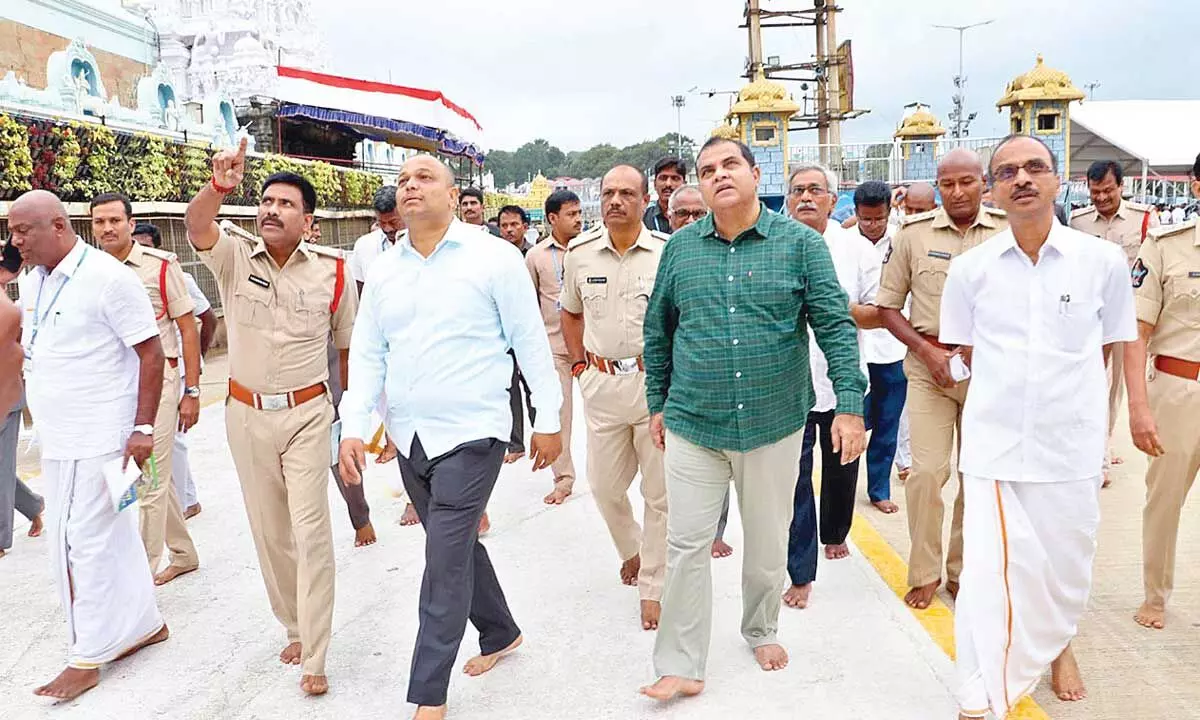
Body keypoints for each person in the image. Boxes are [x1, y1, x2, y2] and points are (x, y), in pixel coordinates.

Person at [337, 154, 562, 720]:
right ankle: (501, 632)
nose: (411, 186)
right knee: (456, 546)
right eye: (403, 180)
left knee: (442, 561)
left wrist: (549, 418)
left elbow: (529, 340)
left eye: (425, 178)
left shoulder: (493, 258)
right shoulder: (386, 268)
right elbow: (367, 352)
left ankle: (427, 695)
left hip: (475, 431)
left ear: (451, 191)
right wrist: (355, 426)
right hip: (413, 438)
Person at [640, 137, 866, 701]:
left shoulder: (799, 246)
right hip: (696, 422)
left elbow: (836, 327)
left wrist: (850, 405)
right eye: (708, 169)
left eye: (730, 165)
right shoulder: (681, 250)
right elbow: (658, 330)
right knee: (687, 544)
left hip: (773, 422)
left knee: (766, 544)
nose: (719, 176)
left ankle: (760, 628)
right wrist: (658, 402)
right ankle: (681, 663)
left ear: (755, 171)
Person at [943, 134, 1136, 718]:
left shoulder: (1101, 261)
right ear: (995, 190)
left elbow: (1118, 343)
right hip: (995, 444)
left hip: (1068, 441)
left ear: (1057, 180)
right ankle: (981, 690)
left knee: (1063, 561)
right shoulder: (970, 269)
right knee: (989, 570)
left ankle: (1058, 647)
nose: (1022, 178)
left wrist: (1129, 413)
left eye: (1035, 167)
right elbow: (961, 351)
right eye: (1007, 172)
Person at [185, 138, 358, 696]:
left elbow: (348, 350)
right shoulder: (234, 257)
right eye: (265, 202)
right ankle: (293, 624)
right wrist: (219, 187)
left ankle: (317, 650)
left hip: (309, 413)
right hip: (246, 414)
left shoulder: (334, 273)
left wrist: (348, 420)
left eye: (285, 204)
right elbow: (196, 227)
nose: (271, 210)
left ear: (308, 220)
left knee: (312, 531)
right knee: (270, 532)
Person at [11, 189, 169, 700]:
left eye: (21, 232)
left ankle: (88, 654)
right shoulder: (34, 282)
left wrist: (143, 429)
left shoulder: (108, 278)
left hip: (105, 440)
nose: (14, 242)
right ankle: (144, 625)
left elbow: (150, 353)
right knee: (117, 535)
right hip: (60, 441)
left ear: (57, 226)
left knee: (78, 543)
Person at [876, 148, 1009, 610]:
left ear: (983, 182)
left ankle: (963, 570)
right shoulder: (912, 235)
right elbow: (888, 307)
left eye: (967, 182)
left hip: (990, 372)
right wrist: (927, 350)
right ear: (937, 185)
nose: (957, 192)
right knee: (927, 474)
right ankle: (924, 572)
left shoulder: (1009, 232)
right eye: (947, 183)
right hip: (929, 369)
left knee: (979, 477)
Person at [560, 165, 669, 630]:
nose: (616, 201)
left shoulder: (666, 253)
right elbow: (570, 314)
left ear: (645, 201)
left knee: (659, 494)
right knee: (604, 487)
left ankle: (653, 586)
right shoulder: (579, 254)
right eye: (608, 193)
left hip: (653, 387)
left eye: (627, 193)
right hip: (602, 385)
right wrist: (581, 367)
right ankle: (632, 548)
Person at [782, 163, 880, 610]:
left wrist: (829, 304)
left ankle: (835, 532)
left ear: (831, 199)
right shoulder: (776, 246)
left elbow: (878, 311)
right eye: (798, 190)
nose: (805, 197)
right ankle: (800, 568)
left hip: (841, 374)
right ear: (786, 199)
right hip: (789, 380)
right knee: (796, 476)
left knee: (841, 462)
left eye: (814, 190)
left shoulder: (858, 249)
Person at [92, 193, 202, 587]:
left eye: (114, 221)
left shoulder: (160, 266)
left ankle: (137, 581)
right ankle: (184, 553)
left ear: (129, 222)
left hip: (163, 383)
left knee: (148, 480)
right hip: (117, 388)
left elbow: (189, 327)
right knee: (144, 476)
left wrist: (193, 389)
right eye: (99, 222)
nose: (107, 229)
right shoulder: (92, 270)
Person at [1123, 151, 1200, 631]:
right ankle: (1156, 596)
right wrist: (1138, 406)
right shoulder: (1166, 247)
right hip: (1179, 388)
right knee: (1164, 499)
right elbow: (1137, 330)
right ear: (1196, 186)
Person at [1070, 160, 1158, 485]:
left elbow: (1152, 267)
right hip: (1089, 317)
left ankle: (1101, 447)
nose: (1102, 198)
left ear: (1121, 186)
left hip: (1128, 318)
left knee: (1116, 384)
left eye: (1108, 190)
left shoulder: (1144, 218)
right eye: (1095, 192)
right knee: (1093, 380)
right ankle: (1097, 454)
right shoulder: (1078, 222)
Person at [132, 223, 215, 519]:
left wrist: (196, 364)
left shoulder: (176, 273)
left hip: (175, 368)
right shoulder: (123, 277)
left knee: (174, 440)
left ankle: (186, 500)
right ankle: (174, 516)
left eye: (145, 244)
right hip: (142, 372)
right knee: (150, 443)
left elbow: (206, 319)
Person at [852, 180, 908, 515]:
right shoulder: (842, 243)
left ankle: (878, 488)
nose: (873, 225)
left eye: (879, 219)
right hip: (855, 347)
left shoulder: (903, 240)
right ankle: (841, 485)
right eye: (866, 219)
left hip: (892, 348)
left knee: (888, 423)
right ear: (856, 214)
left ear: (889, 212)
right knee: (851, 420)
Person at [525, 189, 583, 505]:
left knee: (604, 417)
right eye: (571, 214)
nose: (578, 219)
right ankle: (564, 479)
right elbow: (528, 307)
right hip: (554, 347)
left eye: (579, 213)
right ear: (552, 218)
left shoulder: (590, 250)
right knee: (560, 414)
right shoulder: (535, 256)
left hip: (590, 347)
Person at [643, 156, 686, 233]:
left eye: (675, 178)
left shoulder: (694, 218)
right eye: (663, 178)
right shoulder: (643, 218)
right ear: (654, 184)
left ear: (684, 184)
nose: (668, 184)